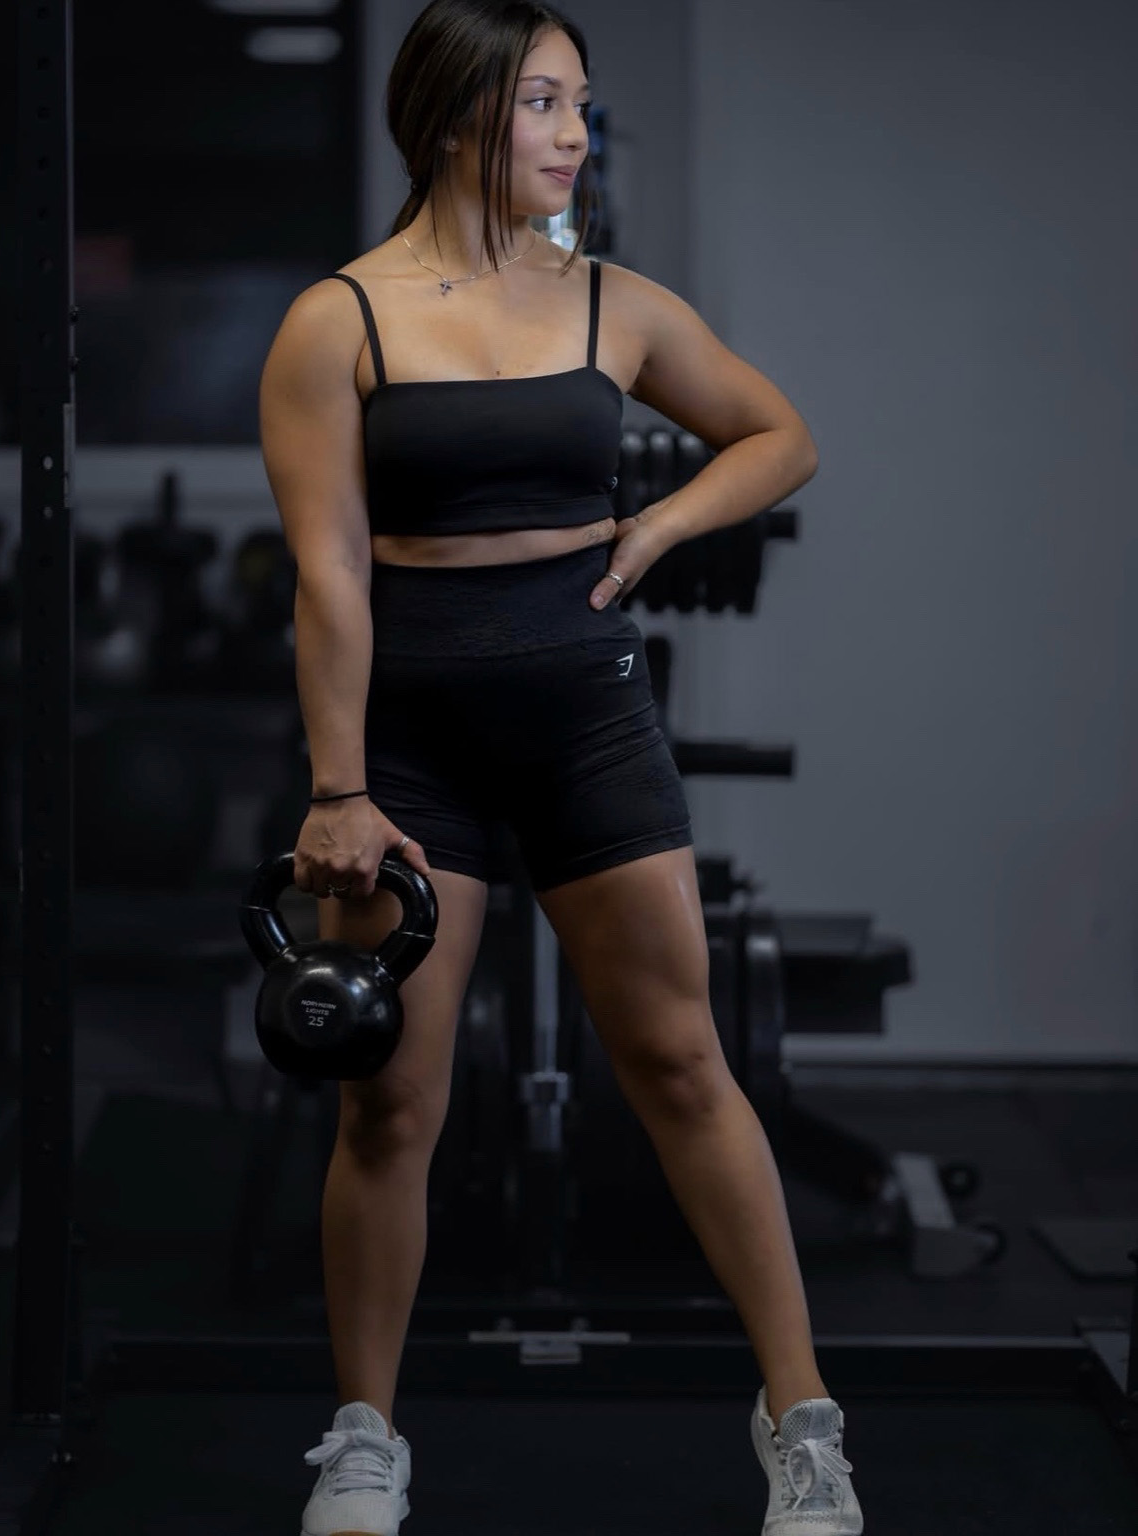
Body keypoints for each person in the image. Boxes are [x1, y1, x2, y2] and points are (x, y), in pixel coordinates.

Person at [258, 3, 863, 1532]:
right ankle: (364, 1439)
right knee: (391, 1099)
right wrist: (338, 792)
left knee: (676, 1062)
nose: (576, 133)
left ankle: (802, 1424)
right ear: (460, 113)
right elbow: (329, 577)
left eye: (580, 104)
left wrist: (657, 527)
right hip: (410, 744)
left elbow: (779, 435)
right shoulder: (341, 320)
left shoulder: (610, 302)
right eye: (545, 103)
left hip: (587, 717)